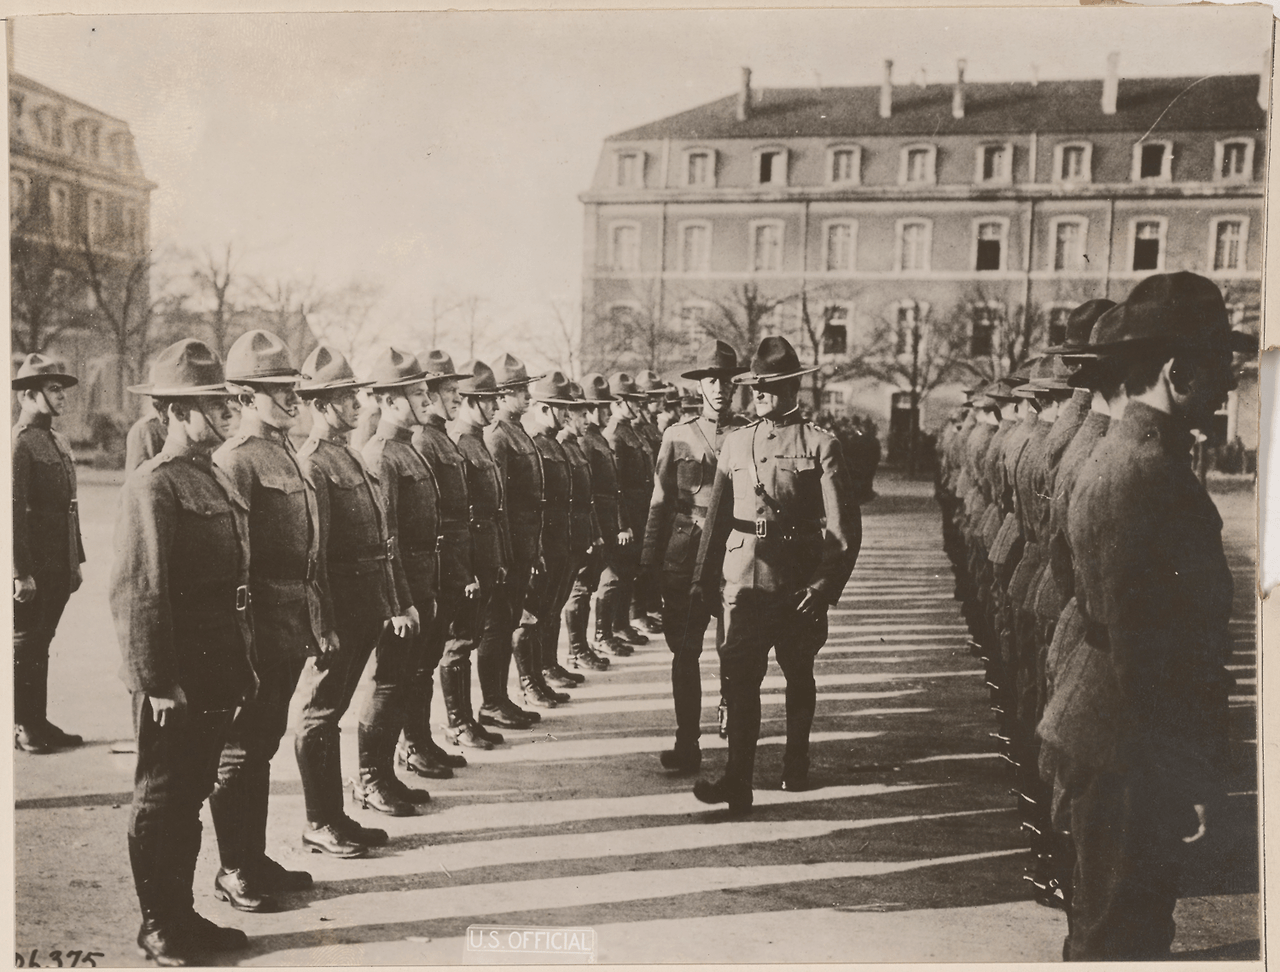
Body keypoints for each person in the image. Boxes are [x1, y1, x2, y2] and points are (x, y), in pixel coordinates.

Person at [1038, 272, 1253, 961]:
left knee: (1107, 923)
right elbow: (1146, 650)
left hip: (1111, 731)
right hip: (1130, 744)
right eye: (1218, 362)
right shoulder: (1146, 474)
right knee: (1123, 937)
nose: (1227, 380)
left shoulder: (1127, 457)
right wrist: (1187, 772)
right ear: (1174, 369)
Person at [110, 338, 254, 965]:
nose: (225, 411)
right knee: (163, 795)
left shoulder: (213, 474)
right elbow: (139, 593)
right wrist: (158, 680)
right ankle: (158, 924)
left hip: (217, 668)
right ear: (173, 412)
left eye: (225, 401)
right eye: (209, 404)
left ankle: (183, 912)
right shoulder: (155, 485)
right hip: (177, 677)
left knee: (191, 791)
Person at [691, 337, 860, 815]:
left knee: (797, 672)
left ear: (792, 388)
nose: (758, 393)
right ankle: (737, 782)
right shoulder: (736, 441)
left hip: (797, 585)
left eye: (769, 386)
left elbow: (844, 529)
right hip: (743, 580)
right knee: (740, 679)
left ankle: (796, 761)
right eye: (755, 386)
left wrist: (825, 586)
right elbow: (718, 518)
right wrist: (703, 580)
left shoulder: (821, 445)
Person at [292, 345, 424, 861]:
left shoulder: (350, 454)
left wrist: (396, 601)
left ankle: (337, 815)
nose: (355, 404)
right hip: (339, 610)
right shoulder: (313, 463)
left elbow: (383, 540)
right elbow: (314, 555)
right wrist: (321, 624)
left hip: (366, 604)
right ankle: (318, 821)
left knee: (337, 709)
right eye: (345, 398)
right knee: (318, 713)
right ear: (322, 406)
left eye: (354, 396)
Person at [209, 330, 325, 913]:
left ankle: (252, 858)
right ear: (245, 395)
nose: (292, 400)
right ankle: (233, 868)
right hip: (256, 629)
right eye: (278, 391)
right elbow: (234, 559)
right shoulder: (236, 459)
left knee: (263, 744)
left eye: (293, 389)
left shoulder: (281, 452)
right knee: (240, 748)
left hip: (288, 624)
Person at [641, 340, 747, 774]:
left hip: (733, 555)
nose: (719, 388)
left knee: (735, 649)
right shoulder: (677, 435)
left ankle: (734, 722)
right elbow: (659, 502)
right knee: (685, 651)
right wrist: (648, 561)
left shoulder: (749, 433)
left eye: (725, 380)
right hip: (684, 555)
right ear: (699, 386)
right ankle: (687, 742)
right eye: (710, 380)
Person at [360, 348, 446, 814]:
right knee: (388, 683)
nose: (426, 401)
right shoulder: (380, 455)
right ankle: (369, 779)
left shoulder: (406, 448)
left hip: (420, 583)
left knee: (406, 680)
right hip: (402, 590)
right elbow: (386, 535)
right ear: (391, 402)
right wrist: (398, 602)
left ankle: (387, 773)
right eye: (416, 394)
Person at [403, 350, 480, 775]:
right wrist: (455, 570)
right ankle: (412, 744)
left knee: (428, 660)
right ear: (427, 395)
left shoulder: (440, 437)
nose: (456, 397)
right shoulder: (422, 440)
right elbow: (432, 517)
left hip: (448, 564)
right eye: (449, 390)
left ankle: (422, 741)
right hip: (436, 566)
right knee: (418, 664)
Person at [12, 353, 86, 754]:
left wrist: (75, 561)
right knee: (25, 641)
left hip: (58, 563)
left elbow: (68, 508)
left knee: (40, 642)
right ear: (28, 395)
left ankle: (35, 720)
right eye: (53, 389)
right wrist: (20, 572)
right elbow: (11, 513)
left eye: (61, 389)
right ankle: (24, 723)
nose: (61, 396)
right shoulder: (19, 443)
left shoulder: (55, 439)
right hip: (32, 567)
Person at [448, 360, 515, 747]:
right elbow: (460, 514)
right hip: (471, 554)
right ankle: (459, 721)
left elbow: (495, 506)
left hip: (488, 550)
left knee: (476, 636)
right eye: (488, 400)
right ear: (470, 402)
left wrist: (499, 557)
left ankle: (475, 714)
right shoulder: (460, 442)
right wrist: (469, 569)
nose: (495, 406)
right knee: (459, 643)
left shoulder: (478, 441)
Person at [480, 354, 548, 725]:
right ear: (502, 396)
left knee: (509, 622)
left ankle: (501, 697)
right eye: (519, 391)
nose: (527, 397)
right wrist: (505, 553)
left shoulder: (518, 431)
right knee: (498, 624)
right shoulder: (498, 436)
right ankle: (491, 702)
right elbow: (499, 501)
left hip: (524, 544)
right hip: (509, 545)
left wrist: (532, 548)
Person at [517, 371, 580, 706]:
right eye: (560, 408)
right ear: (544, 409)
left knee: (551, 609)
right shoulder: (536, 445)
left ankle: (544, 670)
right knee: (533, 614)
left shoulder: (552, 443)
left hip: (560, 543)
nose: (566, 414)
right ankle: (530, 680)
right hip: (545, 543)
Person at [547, 381, 605, 677]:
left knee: (573, 594)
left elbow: (586, 497)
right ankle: (572, 653)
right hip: (564, 536)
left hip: (579, 533)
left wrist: (592, 532)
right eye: (582, 415)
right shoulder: (566, 446)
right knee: (572, 595)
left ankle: (571, 652)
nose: (587, 420)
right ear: (567, 416)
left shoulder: (569, 447)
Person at [569, 374, 628, 665]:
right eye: (602, 407)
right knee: (585, 585)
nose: (606, 412)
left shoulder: (597, 438)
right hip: (594, 523)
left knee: (599, 582)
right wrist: (596, 529)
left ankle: (597, 638)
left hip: (604, 522)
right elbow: (587, 490)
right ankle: (578, 648)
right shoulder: (586, 441)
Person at [604, 373, 654, 648]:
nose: (638, 406)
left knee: (631, 570)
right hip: (629, 514)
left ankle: (623, 624)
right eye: (632, 401)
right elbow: (616, 484)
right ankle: (616, 625)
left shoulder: (630, 430)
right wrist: (623, 523)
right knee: (621, 572)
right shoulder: (613, 435)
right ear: (618, 403)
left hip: (640, 511)